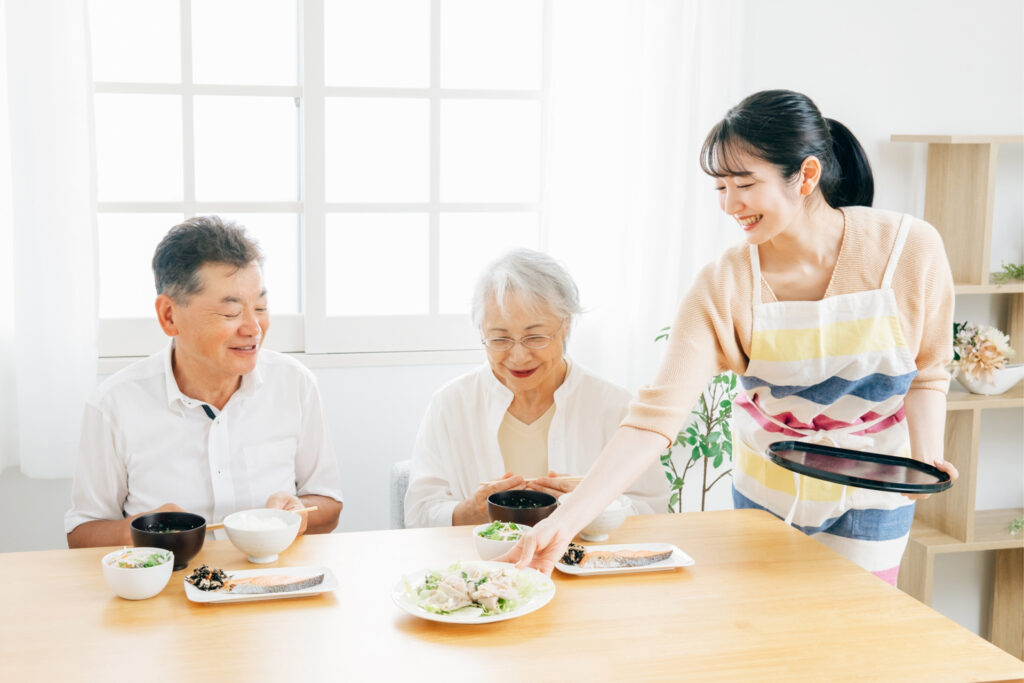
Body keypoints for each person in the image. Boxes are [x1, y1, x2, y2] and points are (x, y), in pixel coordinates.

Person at [504, 90, 959, 583]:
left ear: (806, 176)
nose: (729, 204)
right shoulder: (724, 286)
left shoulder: (908, 249)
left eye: (743, 183)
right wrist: (565, 519)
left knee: (857, 639)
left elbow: (929, 369)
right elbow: (654, 419)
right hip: (768, 487)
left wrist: (924, 461)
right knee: (763, 638)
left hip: (875, 485)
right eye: (720, 187)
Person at [65, 216, 343, 547]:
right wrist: (143, 530)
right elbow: (82, 534)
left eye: (261, 306)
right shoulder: (113, 404)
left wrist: (299, 515)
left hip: (270, 581)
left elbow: (329, 505)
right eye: (231, 313)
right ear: (169, 315)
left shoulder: (295, 384)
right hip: (166, 587)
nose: (253, 328)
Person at [404, 248, 669, 527]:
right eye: (499, 339)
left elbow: (654, 507)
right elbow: (419, 513)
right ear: (482, 331)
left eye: (535, 337)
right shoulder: (451, 404)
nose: (518, 356)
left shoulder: (613, 406)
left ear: (565, 325)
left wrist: (595, 505)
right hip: (480, 566)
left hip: (584, 564)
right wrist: (471, 511)